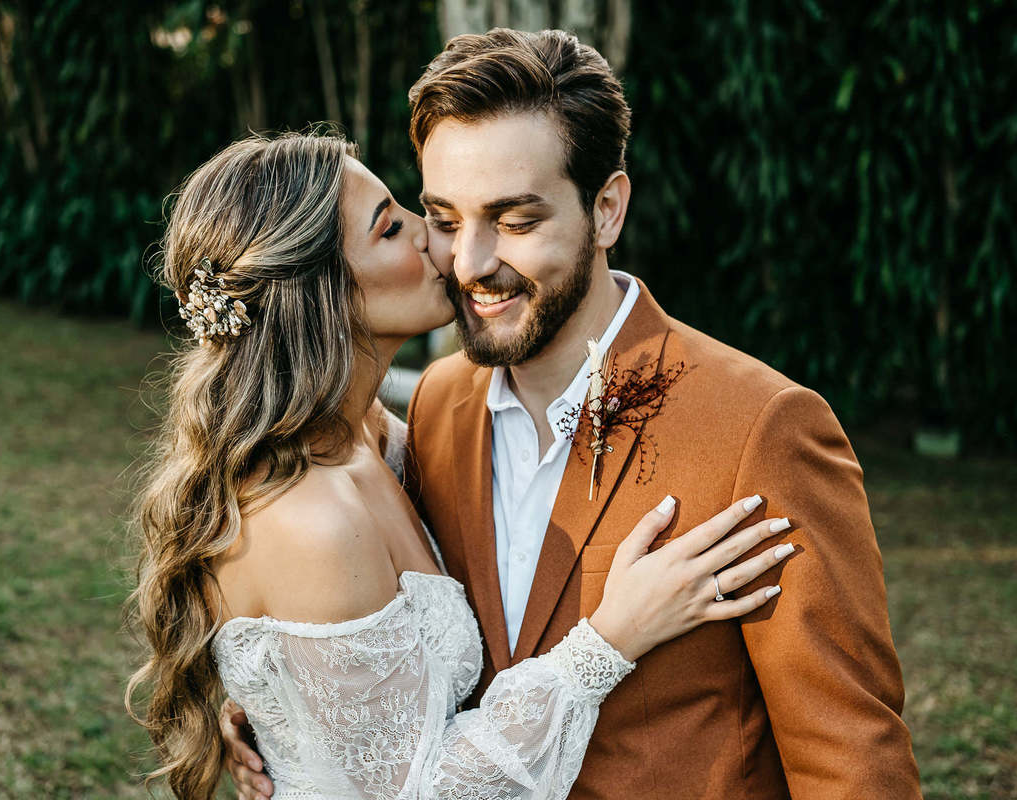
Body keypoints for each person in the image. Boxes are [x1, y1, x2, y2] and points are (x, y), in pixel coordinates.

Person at [225, 28, 921, 800]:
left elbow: (852, 759)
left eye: (517, 221)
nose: (469, 262)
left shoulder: (763, 429)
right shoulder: (435, 407)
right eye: (445, 219)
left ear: (608, 209)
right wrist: (296, 712)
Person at [125, 131, 796, 800]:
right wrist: (612, 638)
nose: (433, 238)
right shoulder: (314, 521)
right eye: (393, 228)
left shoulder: (379, 437)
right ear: (321, 294)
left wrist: (288, 714)